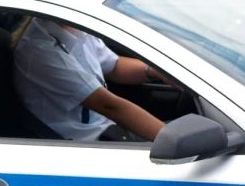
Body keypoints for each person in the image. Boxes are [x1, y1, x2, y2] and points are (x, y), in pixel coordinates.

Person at [12, 16, 169, 142]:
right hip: (88, 143)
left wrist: (155, 71)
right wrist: (175, 140)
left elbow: (114, 67)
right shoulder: (41, 51)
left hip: (107, 127)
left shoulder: (75, 24)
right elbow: (110, 106)